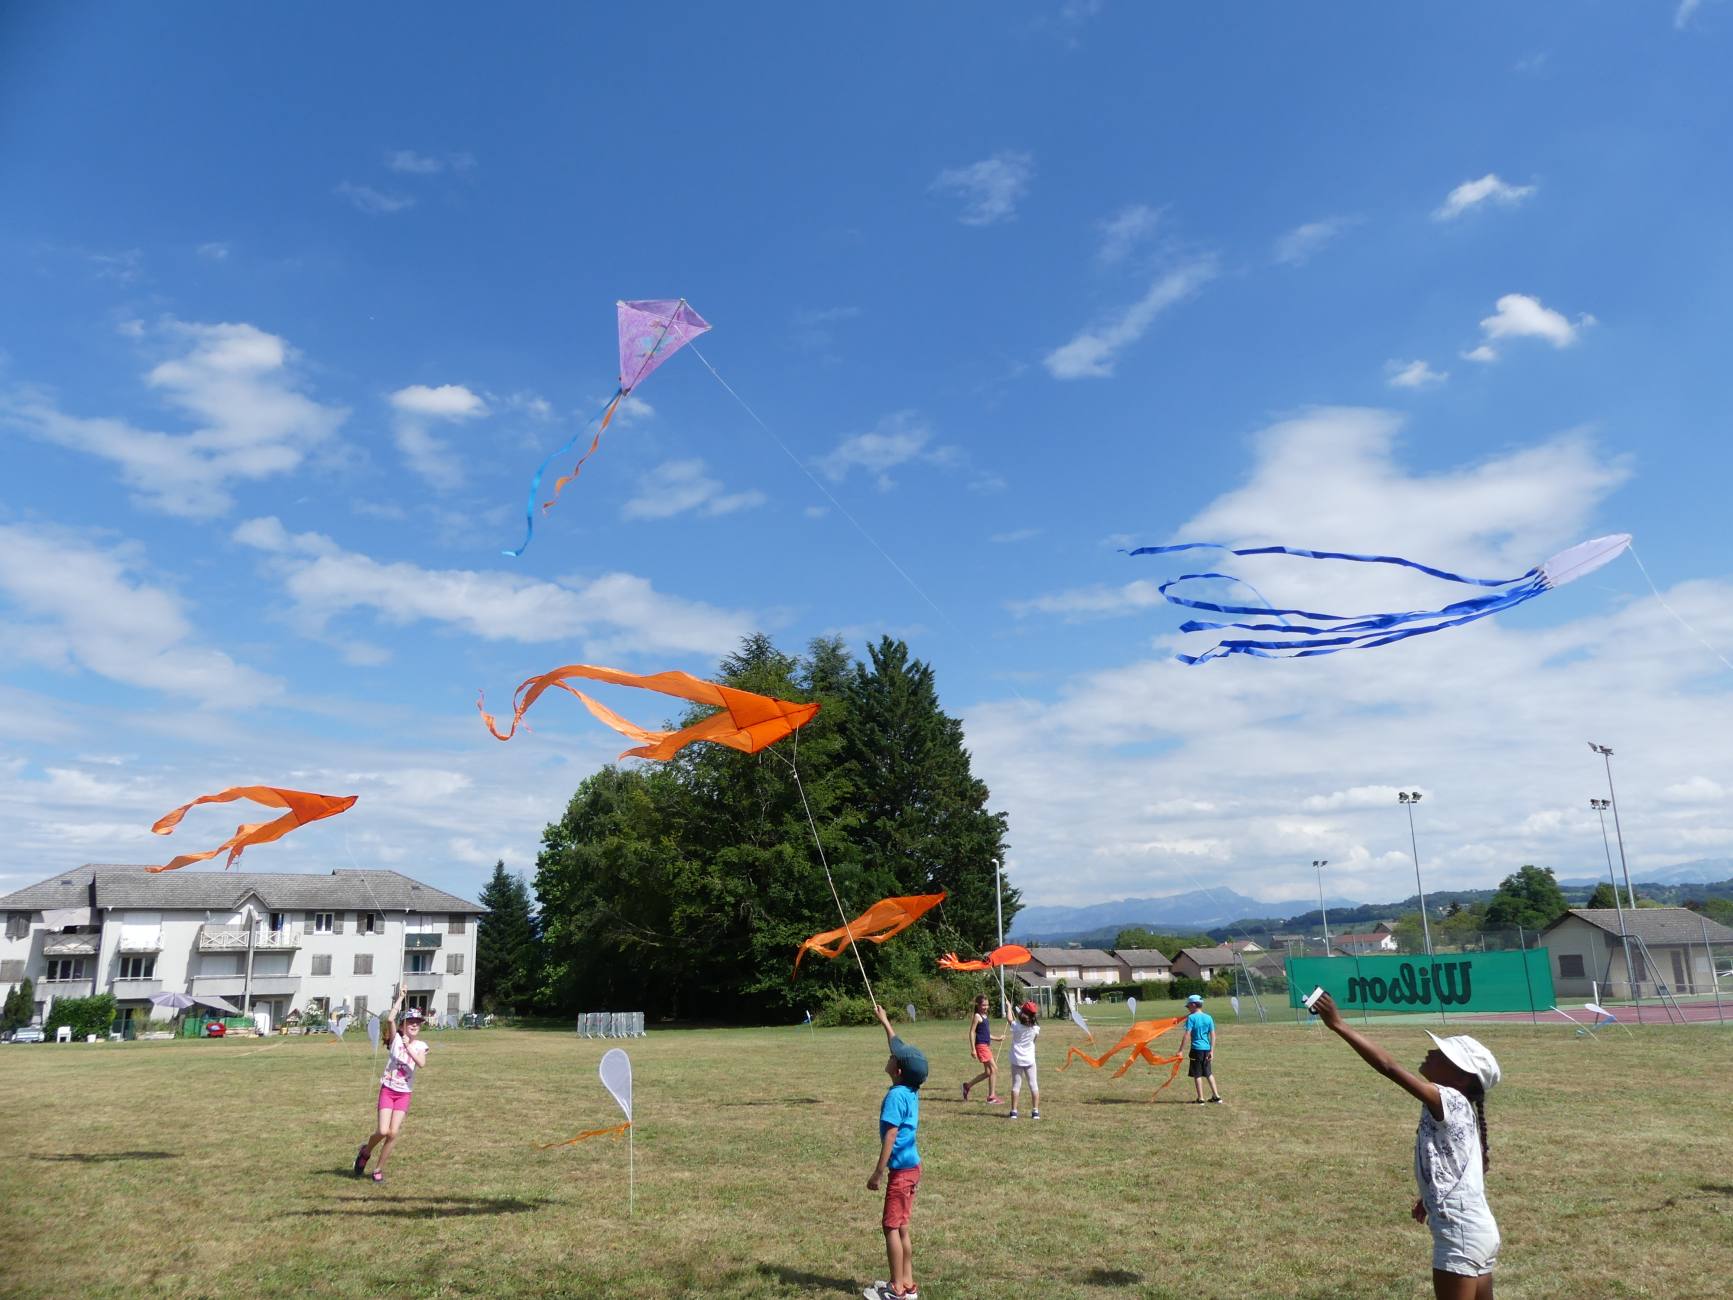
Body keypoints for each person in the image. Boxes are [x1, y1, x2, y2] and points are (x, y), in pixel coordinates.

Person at [1312, 992, 1501, 1299]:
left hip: (1460, 1234)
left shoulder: (1451, 1099)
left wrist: (1338, 1025)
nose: (1431, 1051)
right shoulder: (1460, 1106)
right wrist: (1430, 1196)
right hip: (1479, 1230)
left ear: (1463, 1077)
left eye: (1442, 1053)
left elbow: (1389, 1067)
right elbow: (1463, 1169)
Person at [865, 1002, 926, 1300]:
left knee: (890, 1226)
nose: (890, 1056)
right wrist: (885, 1020)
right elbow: (897, 1044)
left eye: (892, 1057)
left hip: (900, 1173)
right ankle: (908, 1284)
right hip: (912, 1169)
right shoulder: (910, 1089)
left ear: (897, 1070)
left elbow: (890, 1135)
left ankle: (896, 1290)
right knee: (902, 1227)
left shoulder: (894, 1097)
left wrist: (878, 1172)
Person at [352, 988, 430, 1184]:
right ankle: (365, 1152)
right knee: (382, 1131)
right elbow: (389, 1019)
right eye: (410, 1022)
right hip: (388, 1090)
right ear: (403, 1026)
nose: (414, 1025)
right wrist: (401, 998)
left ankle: (378, 1169)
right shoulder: (395, 1039)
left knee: (393, 1133)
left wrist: (408, 1046)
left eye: (417, 1023)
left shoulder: (421, 1046)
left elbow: (420, 1063)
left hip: (404, 1094)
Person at [1181, 993, 1222, 1103]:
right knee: (1208, 1073)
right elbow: (1213, 1035)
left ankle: (1200, 1099)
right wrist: (1212, 1051)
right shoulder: (1208, 1017)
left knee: (1197, 1074)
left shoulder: (1191, 1018)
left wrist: (1180, 1050)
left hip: (1196, 1050)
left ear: (1193, 1005)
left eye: (1188, 1006)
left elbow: (1187, 1035)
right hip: (1207, 1049)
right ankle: (1216, 1096)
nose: (1188, 1009)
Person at [960, 994, 1002, 1104]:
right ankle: (991, 1097)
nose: (986, 1007)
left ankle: (967, 1086)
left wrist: (998, 1038)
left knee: (988, 1072)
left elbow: (986, 1034)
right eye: (983, 1005)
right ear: (978, 1005)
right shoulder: (977, 1016)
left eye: (987, 1005)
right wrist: (973, 1049)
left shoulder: (985, 1017)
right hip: (981, 1046)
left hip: (985, 1045)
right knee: (994, 1069)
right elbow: (972, 1032)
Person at [1007, 1000, 1041, 1119]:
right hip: (1029, 1060)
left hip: (1016, 1060)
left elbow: (1009, 1019)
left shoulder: (1016, 1026)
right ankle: (1035, 1112)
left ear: (1022, 1014)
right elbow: (1033, 1041)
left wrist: (1008, 1007)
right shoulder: (1036, 1028)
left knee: (1016, 1086)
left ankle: (1014, 1112)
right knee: (1033, 1085)